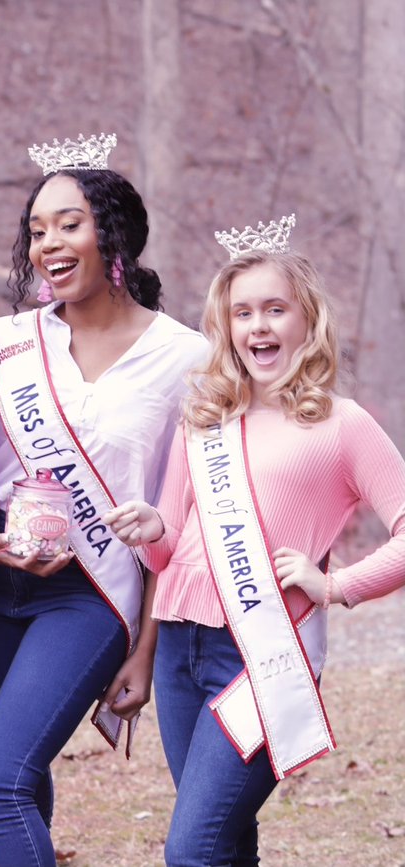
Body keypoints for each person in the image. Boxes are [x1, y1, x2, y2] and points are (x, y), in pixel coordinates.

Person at [103, 221, 405, 866]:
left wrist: (337, 586)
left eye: (275, 309)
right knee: (227, 844)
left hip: (260, 655)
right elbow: (171, 547)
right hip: (179, 648)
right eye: (242, 313)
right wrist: (153, 531)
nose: (258, 326)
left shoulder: (342, 423)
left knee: (192, 852)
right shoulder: (204, 419)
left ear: (307, 319)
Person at [0, 133, 209, 867]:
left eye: (69, 224)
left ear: (115, 234)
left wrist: (145, 649)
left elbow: (185, 510)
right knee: (19, 777)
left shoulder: (187, 357)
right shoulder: (1, 343)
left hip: (90, 591)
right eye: (37, 230)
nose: (49, 244)